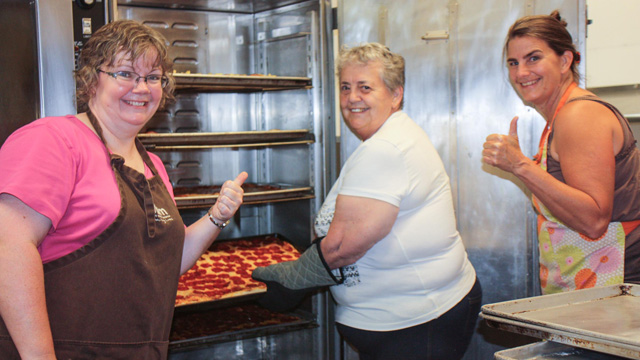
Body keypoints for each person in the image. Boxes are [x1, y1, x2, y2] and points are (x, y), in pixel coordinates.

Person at [0, 20, 247, 359]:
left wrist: (217, 217)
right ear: (91, 80)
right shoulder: (54, 140)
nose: (141, 88)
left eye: (152, 77)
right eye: (126, 73)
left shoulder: (153, 165)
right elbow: (9, 248)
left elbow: (163, 263)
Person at [253, 43, 481, 360]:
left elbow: (343, 246)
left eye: (365, 87)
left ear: (396, 94)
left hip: (418, 320)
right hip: (410, 318)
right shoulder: (389, 137)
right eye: (345, 87)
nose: (351, 98)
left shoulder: (387, 147)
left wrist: (293, 278)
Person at [482, 11, 640, 294]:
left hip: (617, 285)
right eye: (513, 63)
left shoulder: (579, 115)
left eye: (534, 58)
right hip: (593, 282)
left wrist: (520, 165)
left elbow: (593, 221)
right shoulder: (559, 117)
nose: (521, 73)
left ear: (565, 61)